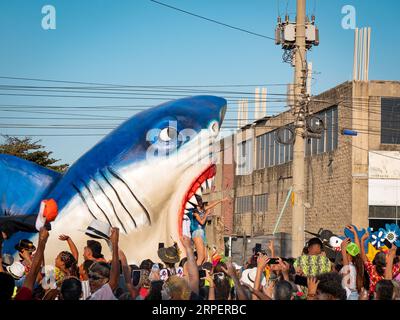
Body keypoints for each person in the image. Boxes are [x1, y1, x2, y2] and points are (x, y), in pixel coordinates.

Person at [188, 196, 229, 266]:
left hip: (202, 233)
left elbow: (212, 205)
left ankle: (202, 272)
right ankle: (194, 274)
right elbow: (202, 222)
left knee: (205, 257)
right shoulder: (194, 212)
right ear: (196, 203)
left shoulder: (203, 209)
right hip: (196, 232)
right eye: (199, 201)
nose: (201, 202)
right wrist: (206, 214)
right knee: (201, 258)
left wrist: (221, 200)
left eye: (201, 201)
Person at [87, 227, 120, 300]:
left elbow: (115, 277)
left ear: (106, 280)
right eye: (89, 276)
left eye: (95, 277)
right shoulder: (91, 297)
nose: (90, 280)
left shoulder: (101, 296)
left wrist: (114, 244)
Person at [339, 235, 364, 300]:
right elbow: (357, 253)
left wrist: (343, 251)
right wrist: (355, 234)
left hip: (349, 296)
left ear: (348, 254)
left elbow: (346, 281)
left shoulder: (349, 267)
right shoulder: (357, 266)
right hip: (355, 295)